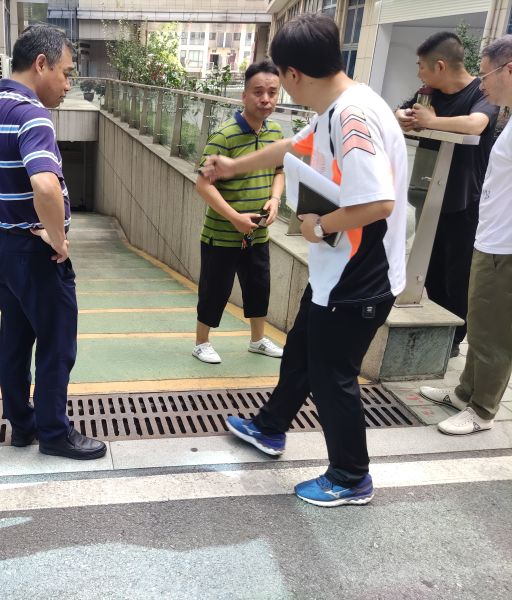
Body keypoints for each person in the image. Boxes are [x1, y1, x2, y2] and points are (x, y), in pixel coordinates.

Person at [202, 13, 407, 507]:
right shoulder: (340, 106)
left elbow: (379, 202)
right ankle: (270, 426)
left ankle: (351, 476)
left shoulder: (352, 117)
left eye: (281, 78)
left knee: (332, 375)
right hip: (338, 271)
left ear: (294, 74)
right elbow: (292, 147)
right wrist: (233, 165)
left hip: (359, 276)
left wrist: (320, 226)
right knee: (301, 350)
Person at [0, 24, 106, 460]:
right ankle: (54, 433)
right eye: (66, 73)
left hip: (1, 245)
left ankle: (22, 425)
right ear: (41, 64)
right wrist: (59, 240)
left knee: (15, 341)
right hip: (34, 251)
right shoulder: (32, 115)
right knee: (56, 343)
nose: (68, 85)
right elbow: (45, 185)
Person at [419, 36, 512, 435]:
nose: (482, 82)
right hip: (490, 238)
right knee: (480, 322)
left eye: (487, 73)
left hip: (506, 246)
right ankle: (465, 393)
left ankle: (482, 411)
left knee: (494, 333)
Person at [396, 32, 499, 358]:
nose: (419, 74)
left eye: (422, 67)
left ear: (440, 66)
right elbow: (400, 112)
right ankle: (437, 331)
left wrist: (434, 121)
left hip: (465, 200)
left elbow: (476, 125)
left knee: (459, 273)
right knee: (429, 268)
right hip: (428, 194)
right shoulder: (430, 93)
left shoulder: (482, 92)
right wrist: (402, 117)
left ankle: (454, 338)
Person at [193, 60, 285, 364]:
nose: (265, 99)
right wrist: (235, 218)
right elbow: (203, 185)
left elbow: (279, 171)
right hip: (221, 234)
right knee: (215, 290)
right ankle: (201, 343)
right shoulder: (224, 136)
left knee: (259, 288)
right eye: (258, 92)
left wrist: (275, 199)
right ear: (244, 96)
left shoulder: (276, 133)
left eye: (272, 92)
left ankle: (257, 340)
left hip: (258, 233)